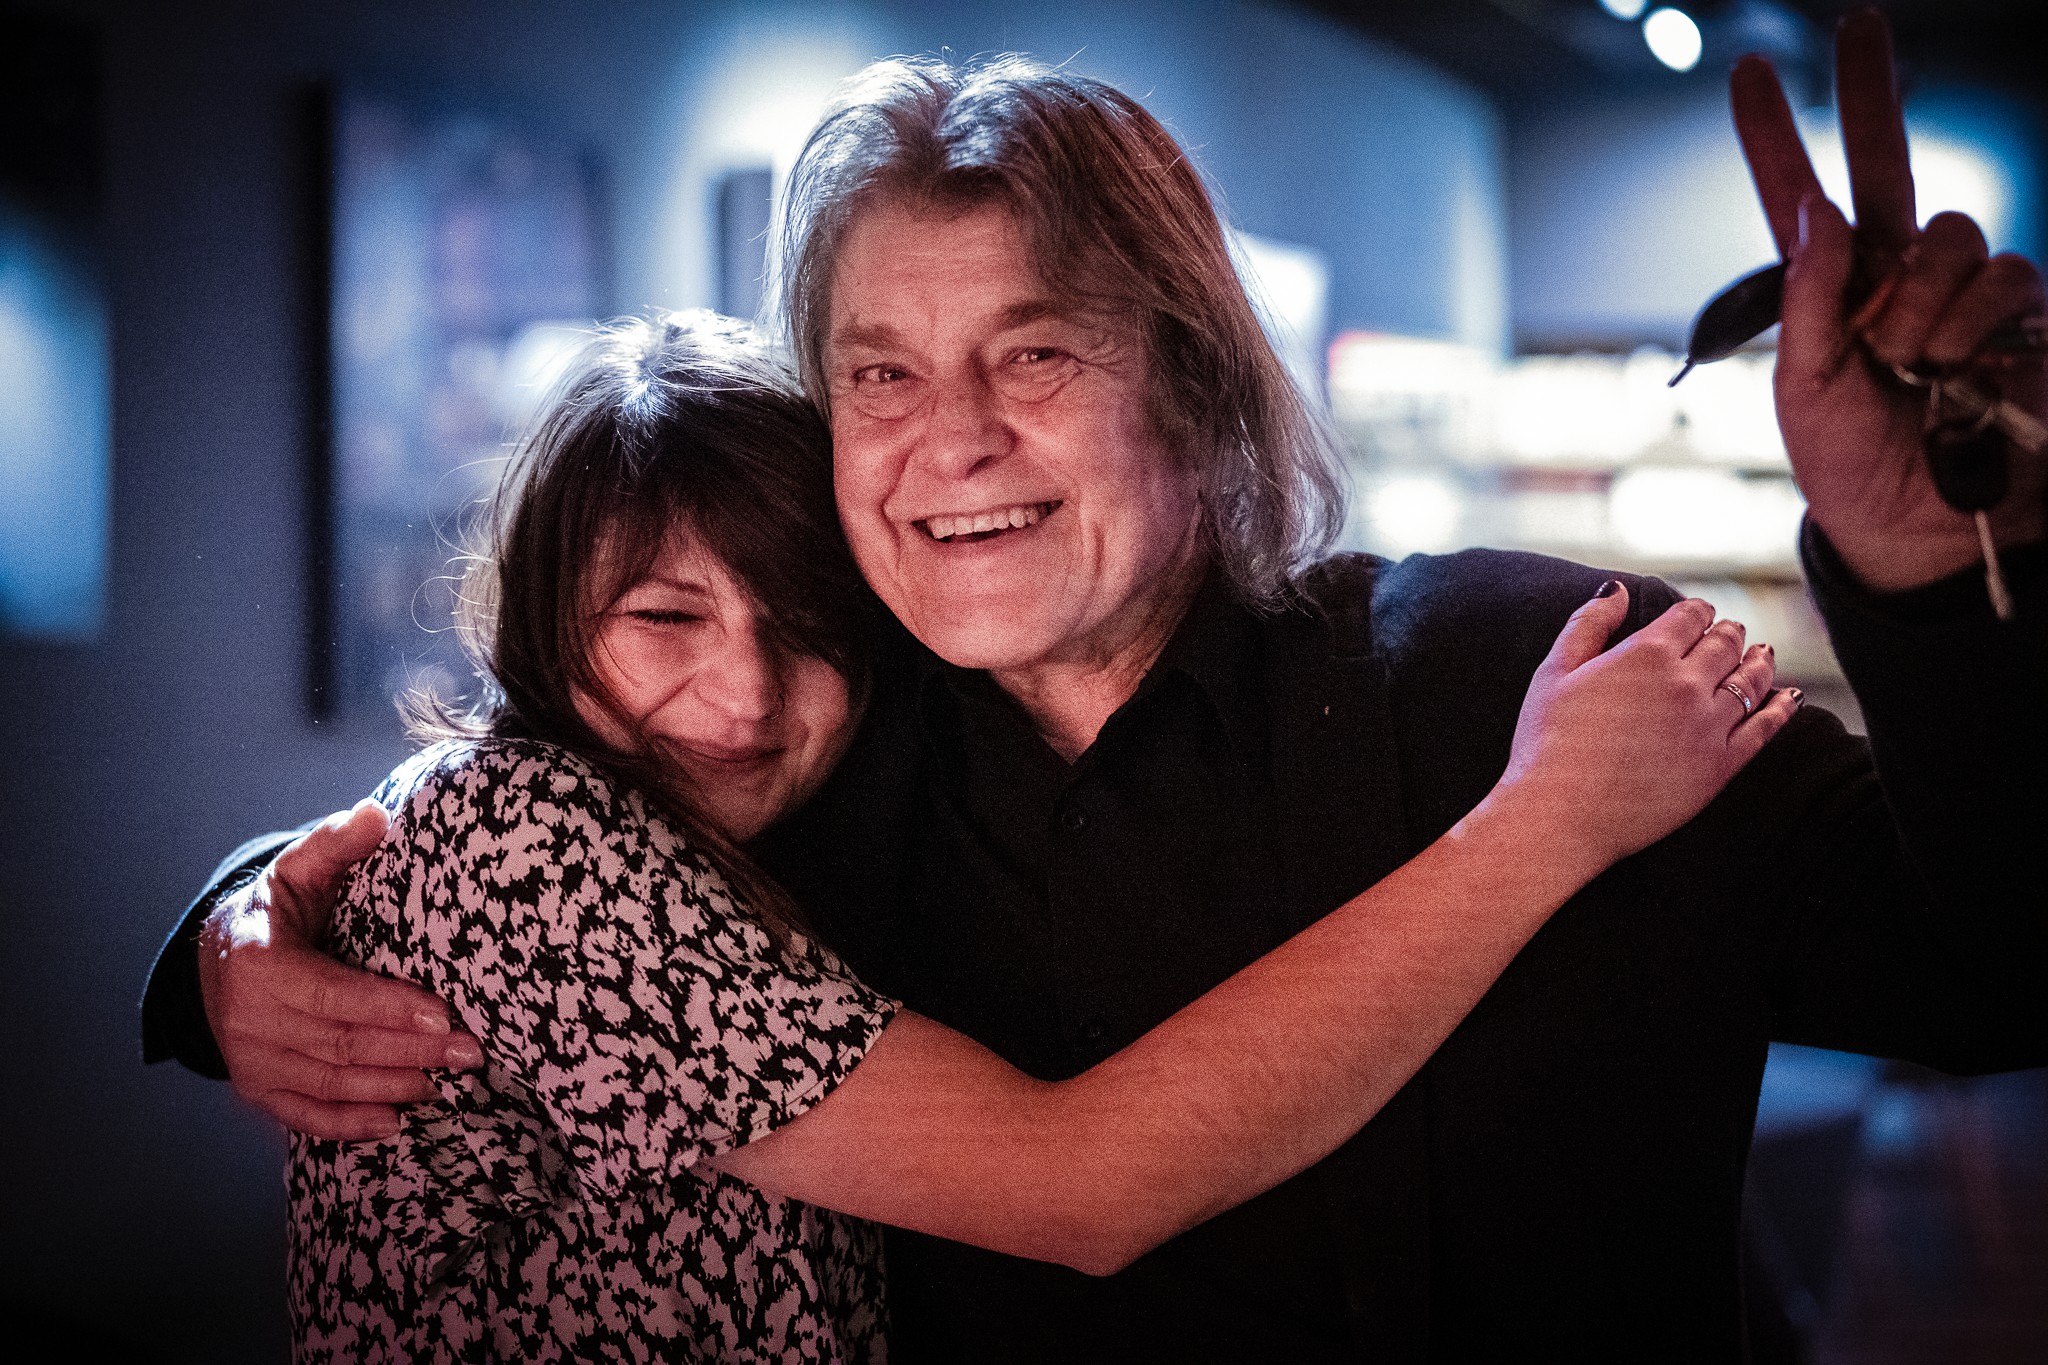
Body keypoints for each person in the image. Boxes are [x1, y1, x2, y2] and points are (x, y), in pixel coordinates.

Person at [146, 9, 2045, 1359]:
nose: (951, 437)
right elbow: (522, 849)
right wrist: (240, 930)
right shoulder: (811, 778)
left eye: (1035, 351)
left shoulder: (1535, 677)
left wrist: (1917, 561)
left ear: (1198, 381)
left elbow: (1995, 978)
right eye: (880, 374)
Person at [287, 309, 1788, 1362]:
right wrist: (1550, 821)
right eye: (662, 618)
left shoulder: (772, 828)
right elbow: (1080, 1186)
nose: (743, 695)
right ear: (550, 617)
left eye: (805, 626)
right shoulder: (530, 846)